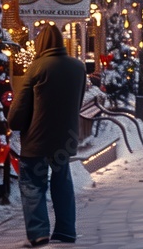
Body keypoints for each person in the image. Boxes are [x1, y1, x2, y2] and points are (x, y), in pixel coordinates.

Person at [7, 25, 86, 246]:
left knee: (32, 183)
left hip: (37, 138)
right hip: (65, 138)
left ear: (40, 44)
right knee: (62, 181)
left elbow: (20, 107)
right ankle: (66, 230)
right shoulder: (78, 67)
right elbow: (78, 102)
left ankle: (38, 232)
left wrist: (15, 124)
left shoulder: (37, 67)